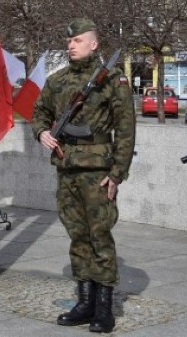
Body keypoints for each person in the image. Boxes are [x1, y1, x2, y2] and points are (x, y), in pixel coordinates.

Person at [32, 18, 135, 334]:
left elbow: (126, 129)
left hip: (98, 174)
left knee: (100, 236)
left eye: (77, 40)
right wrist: (42, 133)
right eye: (69, 41)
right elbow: (39, 114)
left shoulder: (112, 81)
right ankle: (84, 302)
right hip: (67, 170)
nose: (71, 45)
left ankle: (104, 308)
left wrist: (117, 174)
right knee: (77, 236)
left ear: (93, 43)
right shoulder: (57, 80)